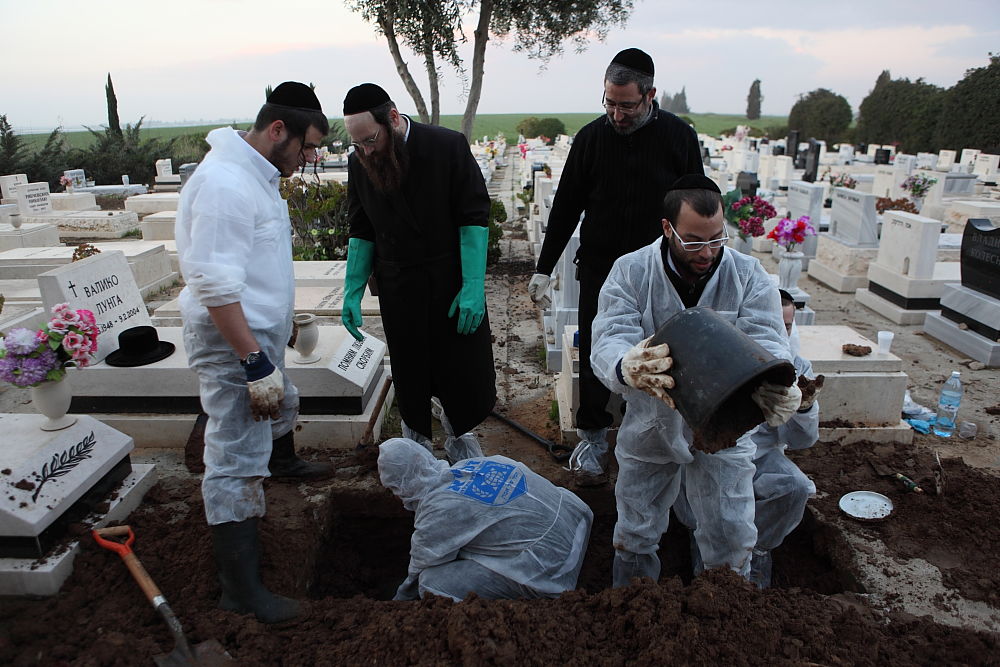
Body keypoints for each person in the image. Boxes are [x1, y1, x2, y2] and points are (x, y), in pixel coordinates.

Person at [589, 174, 802, 587]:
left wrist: (777, 382)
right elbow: (610, 334)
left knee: (730, 524)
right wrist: (624, 365)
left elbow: (768, 338)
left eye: (716, 239)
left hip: (726, 421)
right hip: (652, 419)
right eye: (693, 242)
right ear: (667, 229)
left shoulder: (748, 275)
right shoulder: (632, 272)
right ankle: (634, 602)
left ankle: (725, 606)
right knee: (637, 522)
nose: (707, 252)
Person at [176, 82, 331, 624]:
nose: (311, 158)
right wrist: (252, 359)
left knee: (279, 405)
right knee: (235, 461)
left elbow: (256, 266)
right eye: (307, 146)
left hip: (254, 333)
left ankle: (280, 464)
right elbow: (216, 286)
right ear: (277, 130)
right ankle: (241, 592)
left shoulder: (256, 175)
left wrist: (277, 327)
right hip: (229, 343)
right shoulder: (225, 184)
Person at [525, 48, 704, 485]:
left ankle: (653, 436)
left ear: (650, 95)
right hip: (602, 268)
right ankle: (592, 436)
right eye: (609, 103)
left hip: (660, 271)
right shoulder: (591, 138)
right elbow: (567, 205)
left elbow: (696, 202)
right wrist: (544, 268)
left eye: (627, 105)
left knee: (660, 354)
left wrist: (699, 259)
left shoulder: (678, 137)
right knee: (595, 352)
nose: (617, 114)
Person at [340, 83, 496, 465]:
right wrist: (352, 289)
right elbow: (361, 229)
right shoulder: (360, 162)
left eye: (371, 140)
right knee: (410, 371)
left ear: (393, 118)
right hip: (399, 287)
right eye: (357, 144)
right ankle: (417, 445)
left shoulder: (447, 146)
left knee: (458, 369)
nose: (366, 151)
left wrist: (474, 286)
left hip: (449, 282)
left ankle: (461, 437)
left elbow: (473, 218)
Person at [676, 289, 822, 588]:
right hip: (708, 454)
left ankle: (758, 550)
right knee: (701, 503)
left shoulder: (796, 368)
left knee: (794, 488)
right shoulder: (714, 358)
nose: (781, 334)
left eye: (788, 327)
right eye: (775, 326)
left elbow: (800, 441)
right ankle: (704, 552)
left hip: (762, 457)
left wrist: (804, 407)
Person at [378, 438, 593, 601]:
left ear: (402, 483)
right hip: (578, 523)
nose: (396, 496)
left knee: (430, 582)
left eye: (393, 489)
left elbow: (421, 565)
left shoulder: (437, 508)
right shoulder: (472, 464)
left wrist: (400, 601)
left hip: (552, 571)